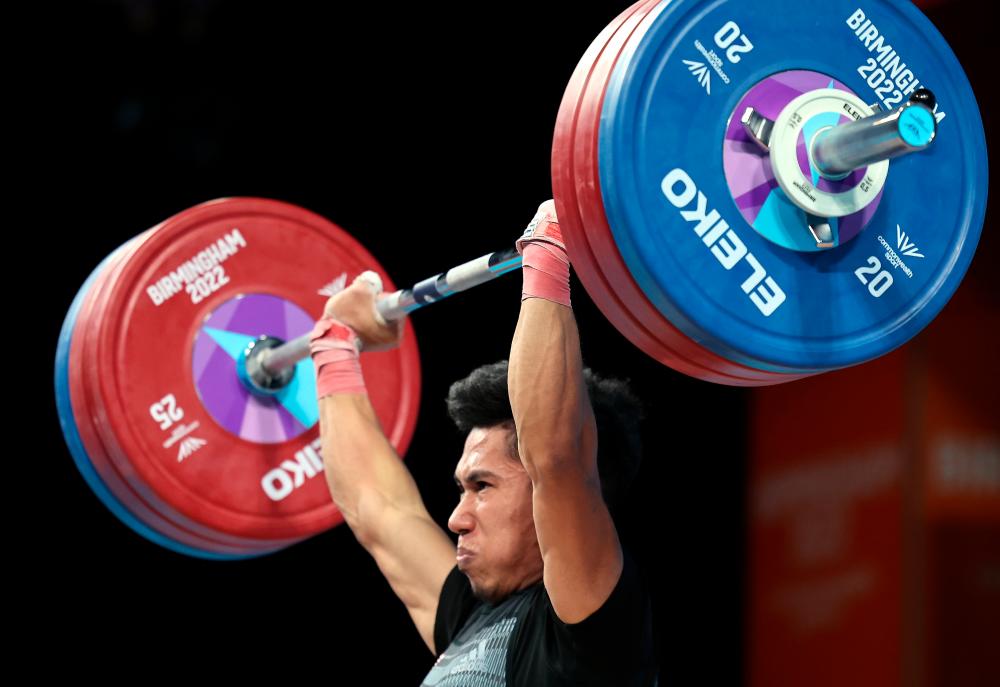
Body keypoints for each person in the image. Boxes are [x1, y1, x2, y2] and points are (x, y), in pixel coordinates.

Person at [309, 200, 658, 685]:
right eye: (462, 490)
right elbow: (377, 510)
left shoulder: (591, 625)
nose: (456, 518)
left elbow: (556, 458)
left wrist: (550, 248)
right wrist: (334, 346)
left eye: (483, 486)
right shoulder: (465, 616)